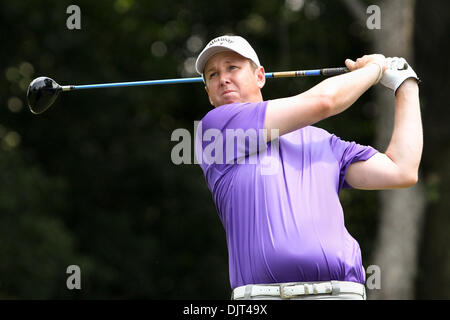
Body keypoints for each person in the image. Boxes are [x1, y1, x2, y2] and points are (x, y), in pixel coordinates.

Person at [194, 35, 422, 300]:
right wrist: (375, 69)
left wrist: (405, 84)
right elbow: (323, 102)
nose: (223, 78)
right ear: (209, 94)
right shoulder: (217, 130)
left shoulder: (322, 140)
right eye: (212, 75)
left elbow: (401, 170)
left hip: (341, 293)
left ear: (259, 76)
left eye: (232, 67)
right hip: (262, 297)